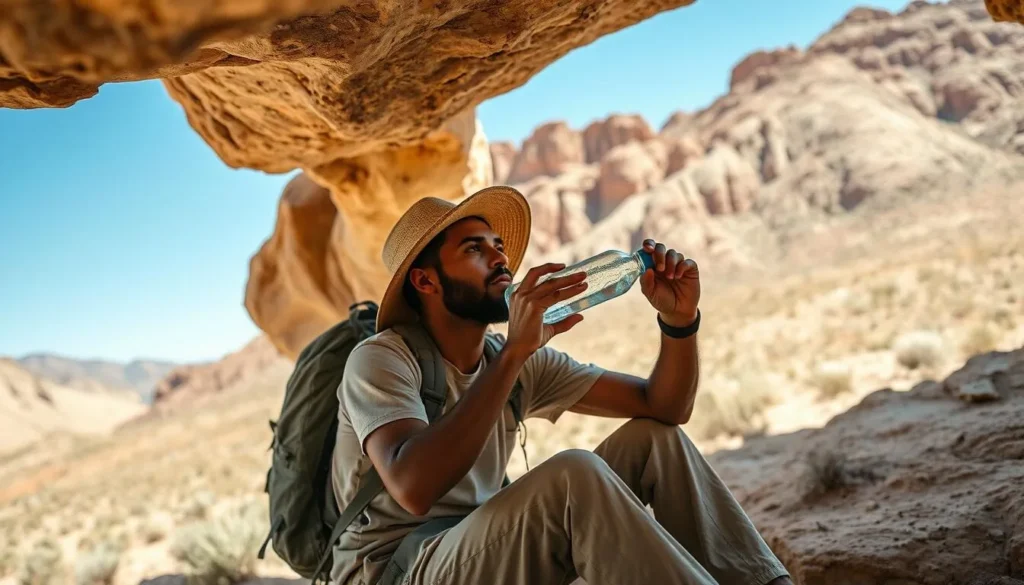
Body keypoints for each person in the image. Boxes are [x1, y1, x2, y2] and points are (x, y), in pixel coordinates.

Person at [328, 185, 792, 585]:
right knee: (573, 475)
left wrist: (679, 321)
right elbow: (413, 487)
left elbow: (664, 406)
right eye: (473, 249)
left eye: (498, 246)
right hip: (399, 570)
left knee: (653, 439)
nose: (499, 257)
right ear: (425, 280)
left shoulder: (512, 360)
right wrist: (514, 353)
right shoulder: (382, 359)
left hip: (476, 548)